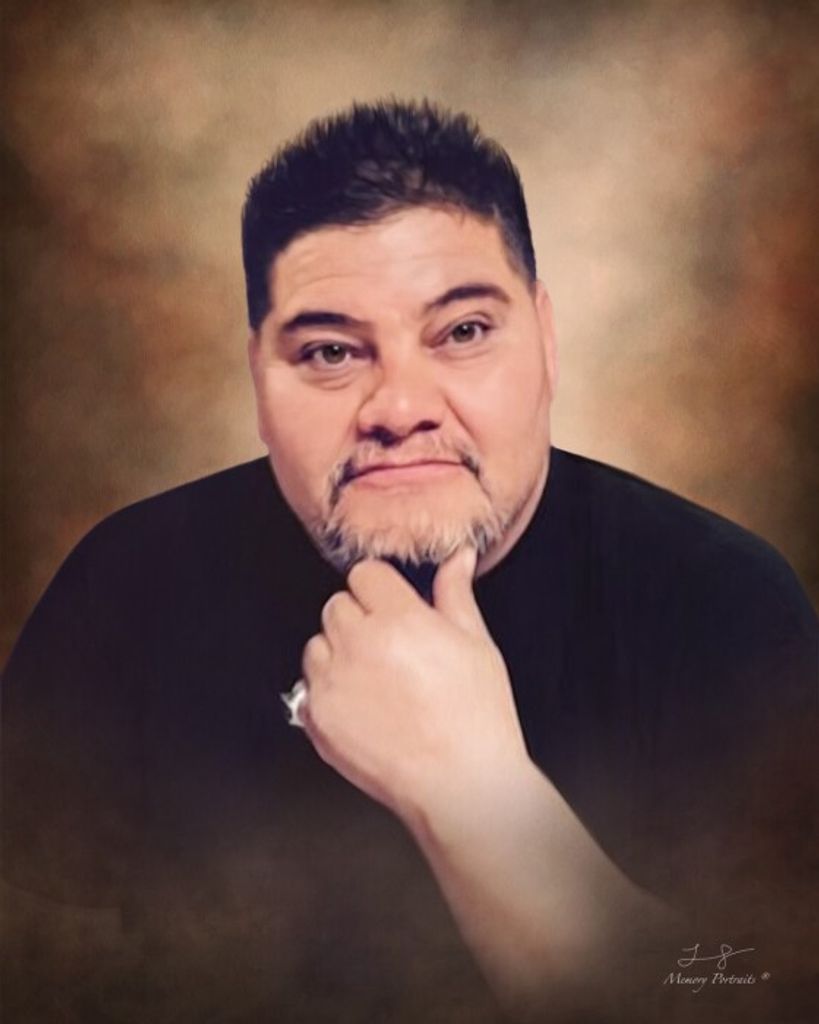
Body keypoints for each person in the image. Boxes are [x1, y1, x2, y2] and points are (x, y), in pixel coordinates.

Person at [2, 100, 816, 1024]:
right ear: (258, 377)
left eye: (462, 332)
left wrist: (471, 790)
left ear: (546, 341)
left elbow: (752, 993)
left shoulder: (722, 605)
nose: (399, 407)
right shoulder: (124, 590)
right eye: (330, 351)